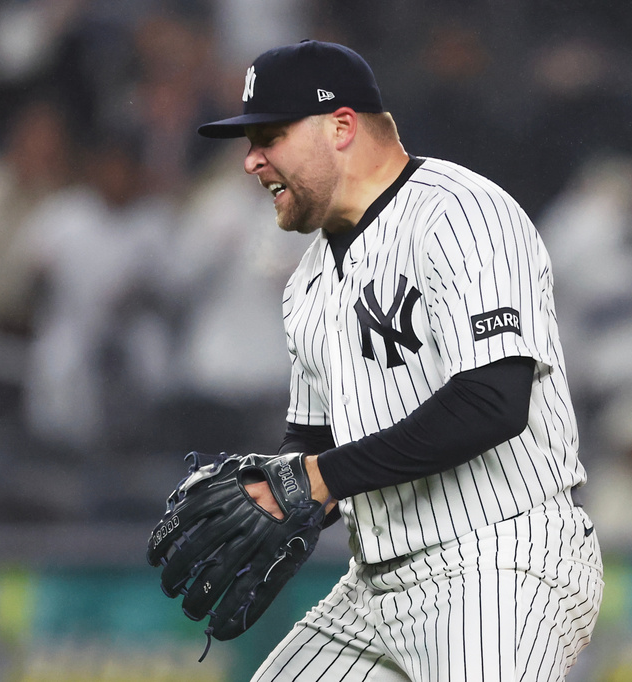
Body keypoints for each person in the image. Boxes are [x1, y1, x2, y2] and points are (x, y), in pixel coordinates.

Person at [194, 40, 603, 681]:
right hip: (372, 589)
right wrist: (276, 493)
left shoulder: (461, 212)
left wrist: (319, 480)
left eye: (268, 136)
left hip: (498, 560)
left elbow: (492, 401)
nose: (251, 161)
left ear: (341, 126)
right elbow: (312, 447)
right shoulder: (305, 285)